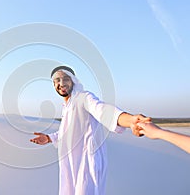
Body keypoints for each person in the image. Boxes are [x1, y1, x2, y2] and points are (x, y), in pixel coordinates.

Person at [30, 65, 150, 195]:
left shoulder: (84, 98)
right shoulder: (67, 105)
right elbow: (67, 131)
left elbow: (103, 111)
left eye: (65, 79)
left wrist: (130, 120)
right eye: (57, 80)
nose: (61, 83)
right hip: (70, 164)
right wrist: (49, 138)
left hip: (86, 163)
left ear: (73, 81)